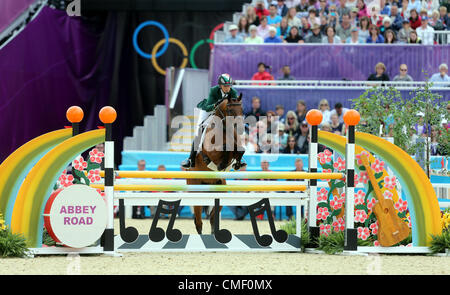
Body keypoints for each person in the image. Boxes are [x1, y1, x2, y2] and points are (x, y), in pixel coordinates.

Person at [181, 74, 244, 169]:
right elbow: (208, 107)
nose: (227, 88)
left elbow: (234, 105)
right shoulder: (214, 90)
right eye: (225, 86)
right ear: (220, 86)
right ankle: (191, 159)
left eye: (229, 86)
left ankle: (239, 156)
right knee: (200, 129)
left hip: (225, 113)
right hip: (209, 110)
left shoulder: (233, 92)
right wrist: (216, 105)